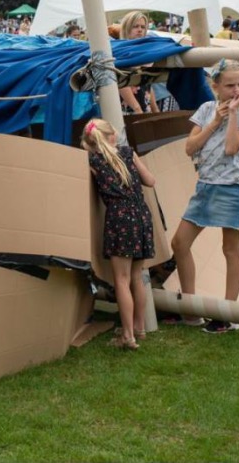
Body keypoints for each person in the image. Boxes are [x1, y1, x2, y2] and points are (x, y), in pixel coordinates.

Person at [170, 59, 239, 334]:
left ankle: (227, 314)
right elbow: (189, 148)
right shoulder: (207, 109)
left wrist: (232, 115)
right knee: (179, 243)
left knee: (230, 249)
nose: (236, 90)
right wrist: (216, 120)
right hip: (206, 187)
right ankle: (190, 309)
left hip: (232, 188)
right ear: (215, 86)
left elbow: (232, 147)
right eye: (230, 85)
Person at [81, 118, 156, 350]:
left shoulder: (92, 161)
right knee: (137, 276)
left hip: (119, 219)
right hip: (142, 215)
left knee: (121, 281)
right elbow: (150, 181)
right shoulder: (128, 152)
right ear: (112, 135)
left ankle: (127, 336)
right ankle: (139, 328)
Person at [118, 11, 158, 114]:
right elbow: (121, 82)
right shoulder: (121, 50)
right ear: (126, 28)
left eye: (143, 27)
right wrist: (137, 109)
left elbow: (148, 83)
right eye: (135, 26)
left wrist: (155, 108)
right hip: (129, 110)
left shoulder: (144, 51)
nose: (140, 30)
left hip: (144, 107)